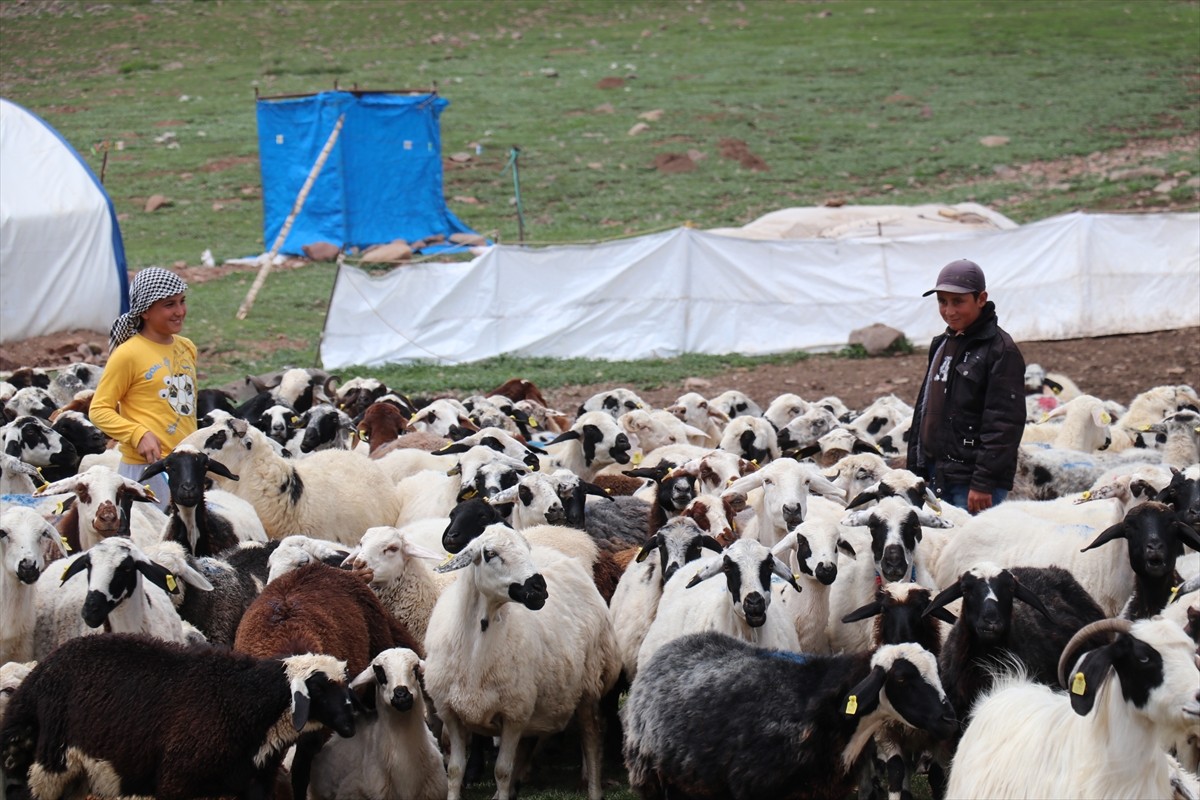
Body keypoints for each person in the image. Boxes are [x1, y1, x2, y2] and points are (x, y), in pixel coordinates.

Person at [907, 259, 1025, 515]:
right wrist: (916, 469)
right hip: (937, 475)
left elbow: (1004, 424)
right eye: (942, 302)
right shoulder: (942, 344)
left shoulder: (1000, 350)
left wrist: (984, 481)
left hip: (972, 484)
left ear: (981, 299)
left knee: (972, 552)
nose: (949, 311)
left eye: (958, 301)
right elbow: (927, 408)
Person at [90, 268, 197, 511]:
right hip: (146, 469)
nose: (179, 311)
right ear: (145, 310)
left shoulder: (187, 348)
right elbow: (99, 409)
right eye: (169, 305)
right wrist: (137, 433)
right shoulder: (127, 354)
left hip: (187, 464)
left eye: (182, 302)